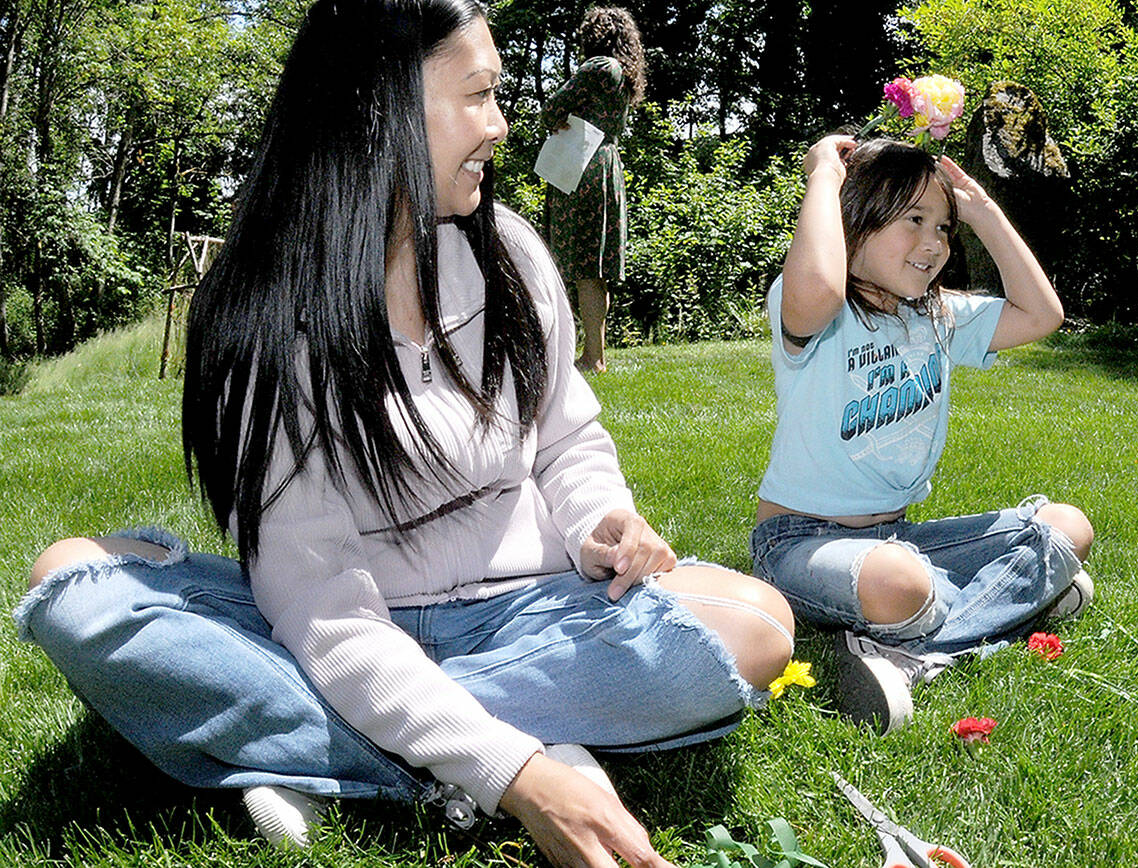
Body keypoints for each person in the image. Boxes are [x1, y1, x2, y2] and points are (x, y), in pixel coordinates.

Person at [14, 3, 796, 866]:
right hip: (338, 627)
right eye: (478, 95)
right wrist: (525, 775)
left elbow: (567, 438)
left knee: (757, 624)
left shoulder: (512, 255)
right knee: (77, 587)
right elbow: (323, 612)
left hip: (526, 615)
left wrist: (599, 519)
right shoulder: (268, 313)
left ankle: (322, 752)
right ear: (375, 106)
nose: (502, 124)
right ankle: (479, 751)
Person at [749, 134, 1095, 735]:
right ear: (855, 219)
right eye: (914, 220)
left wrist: (982, 210)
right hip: (799, 545)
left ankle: (916, 651)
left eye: (944, 227)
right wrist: (824, 178)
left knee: (1067, 528)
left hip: (900, 537)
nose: (933, 243)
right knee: (901, 583)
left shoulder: (937, 316)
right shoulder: (816, 312)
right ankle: (1012, 602)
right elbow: (822, 288)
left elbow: (1044, 315)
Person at [542, 7, 645, 372]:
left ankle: (591, 356)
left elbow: (551, 108)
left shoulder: (598, 67)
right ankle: (593, 352)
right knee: (595, 266)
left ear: (596, 35)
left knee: (582, 265)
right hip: (606, 162)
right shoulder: (622, 73)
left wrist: (557, 120)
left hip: (581, 165)